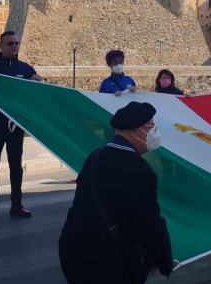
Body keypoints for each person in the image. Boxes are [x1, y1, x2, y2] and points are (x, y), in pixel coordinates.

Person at [59, 102, 175, 284]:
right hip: (107, 261)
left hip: (72, 250)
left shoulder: (94, 157)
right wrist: (165, 262)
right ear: (134, 132)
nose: (155, 133)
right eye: (151, 127)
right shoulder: (140, 170)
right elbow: (150, 222)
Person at [0, 31, 43, 221]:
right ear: (1, 47)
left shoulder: (26, 69)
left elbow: (36, 97)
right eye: (10, 44)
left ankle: (17, 204)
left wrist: (38, 84)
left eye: (16, 43)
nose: (14, 46)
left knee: (16, 167)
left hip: (15, 126)